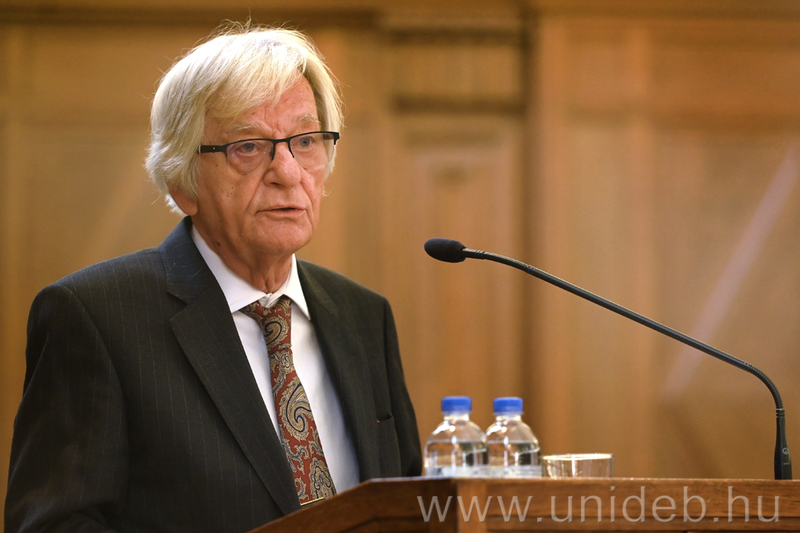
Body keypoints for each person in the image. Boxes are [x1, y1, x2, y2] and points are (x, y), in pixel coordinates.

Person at [5, 23, 421, 533]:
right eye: (248, 147)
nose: (289, 173)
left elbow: (409, 505)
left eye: (306, 141)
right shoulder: (95, 317)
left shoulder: (364, 315)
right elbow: (56, 524)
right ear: (182, 181)